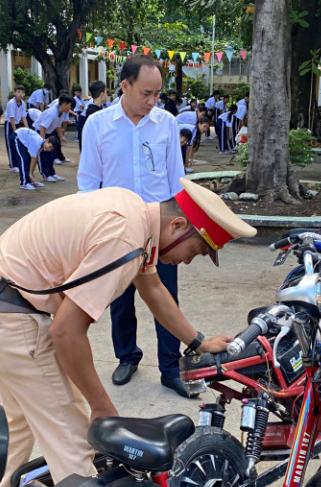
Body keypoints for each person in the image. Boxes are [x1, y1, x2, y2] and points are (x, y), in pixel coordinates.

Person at [0, 180, 256, 487]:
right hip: (10, 316)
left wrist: (197, 341)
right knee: (73, 438)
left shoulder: (135, 213)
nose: (186, 261)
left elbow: (153, 288)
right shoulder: (124, 240)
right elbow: (66, 331)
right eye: (195, 251)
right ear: (177, 225)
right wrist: (100, 405)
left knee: (21, 423)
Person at [78, 54, 197, 398]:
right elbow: (88, 184)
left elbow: (177, 180)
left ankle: (171, 368)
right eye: (146, 93)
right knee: (120, 297)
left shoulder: (166, 123)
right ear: (125, 86)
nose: (152, 101)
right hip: (116, 228)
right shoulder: (98, 125)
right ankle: (127, 356)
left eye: (157, 94)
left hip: (160, 230)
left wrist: (182, 226)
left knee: (166, 297)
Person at [34, 94, 72, 183]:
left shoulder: (61, 113)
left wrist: (61, 136)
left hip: (47, 132)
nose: (70, 108)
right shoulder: (52, 113)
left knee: (51, 154)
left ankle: (52, 173)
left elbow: (57, 125)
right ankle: (46, 175)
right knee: (43, 154)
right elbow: (42, 127)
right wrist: (43, 142)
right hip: (39, 132)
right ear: (64, 105)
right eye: (69, 105)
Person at [5, 85, 29, 172]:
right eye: (18, 92)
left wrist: (27, 129)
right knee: (10, 143)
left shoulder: (23, 103)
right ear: (15, 93)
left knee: (17, 144)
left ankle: (17, 163)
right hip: (9, 124)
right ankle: (12, 165)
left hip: (17, 124)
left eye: (22, 92)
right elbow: (11, 118)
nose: (20, 94)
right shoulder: (11, 103)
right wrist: (15, 131)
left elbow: (24, 117)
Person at [78, 80, 107, 150]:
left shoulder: (98, 107)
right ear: (102, 94)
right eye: (106, 93)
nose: (106, 95)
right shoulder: (92, 110)